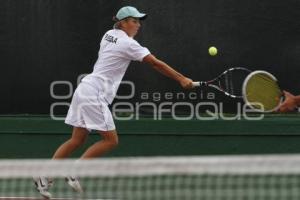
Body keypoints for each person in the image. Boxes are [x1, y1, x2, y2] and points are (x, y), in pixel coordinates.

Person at [34, 6, 194, 199]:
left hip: (84, 88)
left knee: (77, 139)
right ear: (123, 22)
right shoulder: (128, 44)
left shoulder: (108, 34)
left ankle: (44, 176)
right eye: (134, 21)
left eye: (139, 21)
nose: (138, 25)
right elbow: (155, 63)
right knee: (111, 140)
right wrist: (182, 78)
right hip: (94, 93)